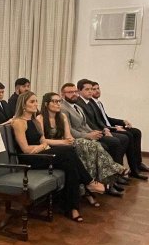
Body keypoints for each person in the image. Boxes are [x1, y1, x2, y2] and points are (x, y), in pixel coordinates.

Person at [12, 92, 105, 222]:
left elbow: (43, 141)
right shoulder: (18, 122)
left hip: (40, 154)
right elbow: (25, 149)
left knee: (70, 166)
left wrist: (42, 146)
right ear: (23, 105)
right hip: (29, 159)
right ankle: (88, 182)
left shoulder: (35, 121)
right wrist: (42, 146)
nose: (36, 104)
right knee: (68, 151)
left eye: (36, 101)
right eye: (32, 102)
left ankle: (72, 208)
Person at [37, 92, 125, 206]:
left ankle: (90, 189)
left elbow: (68, 136)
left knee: (93, 146)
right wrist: (64, 142)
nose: (58, 104)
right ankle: (112, 170)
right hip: (52, 147)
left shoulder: (62, 116)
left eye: (59, 101)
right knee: (85, 145)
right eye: (55, 101)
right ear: (46, 104)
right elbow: (43, 141)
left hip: (65, 144)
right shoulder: (40, 118)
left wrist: (68, 141)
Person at [77, 79, 146, 181]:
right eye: (88, 89)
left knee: (134, 132)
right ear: (79, 91)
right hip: (94, 132)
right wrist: (107, 129)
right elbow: (88, 123)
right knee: (122, 138)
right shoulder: (81, 103)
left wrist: (117, 124)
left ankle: (134, 167)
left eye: (93, 89)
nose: (91, 91)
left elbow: (102, 120)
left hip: (102, 129)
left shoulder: (91, 102)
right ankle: (118, 172)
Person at [90, 81, 149, 173]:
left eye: (98, 88)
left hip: (109, 127)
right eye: (93, 89)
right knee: (128, 135)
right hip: (105, 129)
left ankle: (138, 164)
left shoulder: (98, 103)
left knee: (136, 132)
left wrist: (122, 122)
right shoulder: (91, 104)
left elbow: (106, 118)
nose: (97, 91)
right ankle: (130, 168)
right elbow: (98, 123)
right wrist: (113, 128)